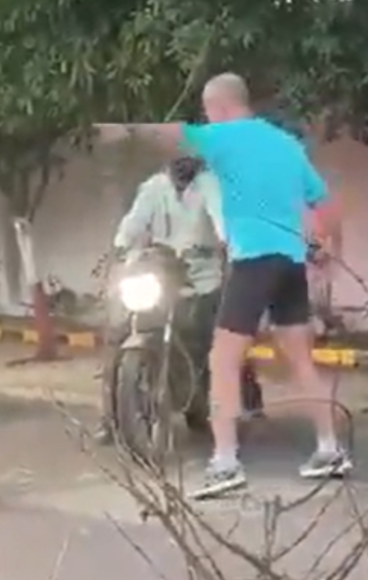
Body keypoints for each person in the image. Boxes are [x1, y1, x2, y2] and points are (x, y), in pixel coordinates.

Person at [95, 72, 349, 498]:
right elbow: (325, 204)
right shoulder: (285, 144)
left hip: (253, 261)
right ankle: (329, 449)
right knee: (300, 361)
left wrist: (121, 130)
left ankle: (225, 462)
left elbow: (168, 134)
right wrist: (328, 251)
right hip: (290, 261)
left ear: (218, 107)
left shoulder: (224, 137)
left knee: (222, 361)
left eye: (209, 111)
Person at [96, 156, 264, 443]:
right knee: (117, 333)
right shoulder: (153, 187)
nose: (181, 166)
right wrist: (120, 247)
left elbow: (222, 219)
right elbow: (134, 222)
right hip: (162, 272)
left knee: (211, 338)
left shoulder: (210, 185)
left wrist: (231, 244)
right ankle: (111, 417)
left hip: (203, 275)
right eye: (176, 160)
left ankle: (228, 403)